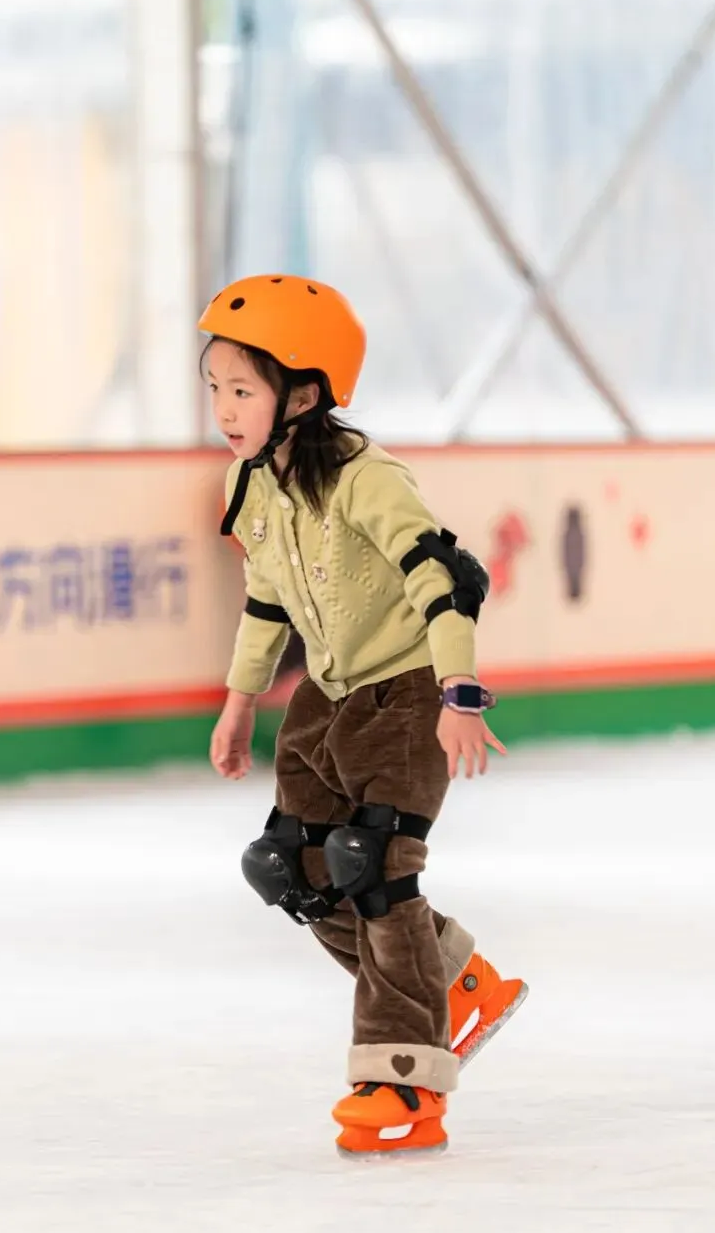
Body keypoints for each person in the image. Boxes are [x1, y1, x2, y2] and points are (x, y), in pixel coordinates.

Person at [203, 274, 527, 1157]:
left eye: (243, 390)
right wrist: (238, 704)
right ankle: (453, 980)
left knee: (374, 865)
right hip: (327, 697)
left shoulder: (366, 479)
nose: (224, 409)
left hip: (407, 688)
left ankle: (406, 1081)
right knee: (293, 867)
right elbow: (267, 600)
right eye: (216, 387)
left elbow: (442, 579)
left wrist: (458, 693)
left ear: (303, 394)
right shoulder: (250, 483)